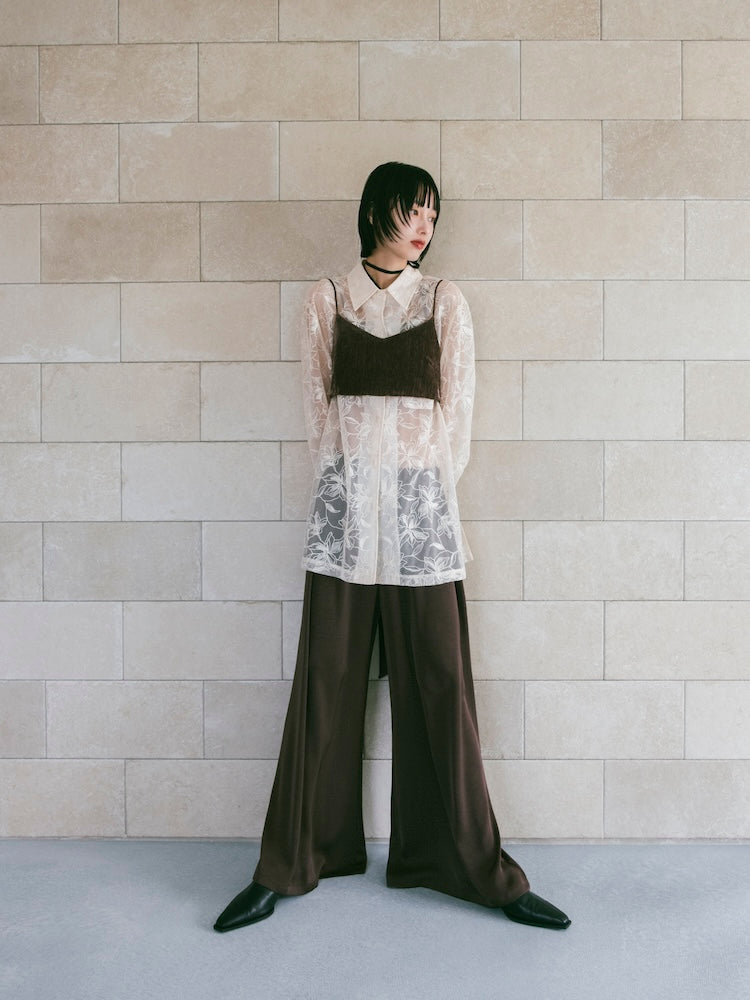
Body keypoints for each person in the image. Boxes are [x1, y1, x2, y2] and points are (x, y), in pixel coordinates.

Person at [214, 162, 571, 933]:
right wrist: (356, 491)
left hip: (421, 530)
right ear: (378, 209)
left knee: (442, 688)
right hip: (343, 528)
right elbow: (317, 419)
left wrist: (411, 496)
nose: (423, 227)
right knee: (323, 689)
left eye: (432, 216)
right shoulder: (327, 300)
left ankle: (472, 867)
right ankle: (288, 863)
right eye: (413, 210)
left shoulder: (444, 302)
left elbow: (457, 425)